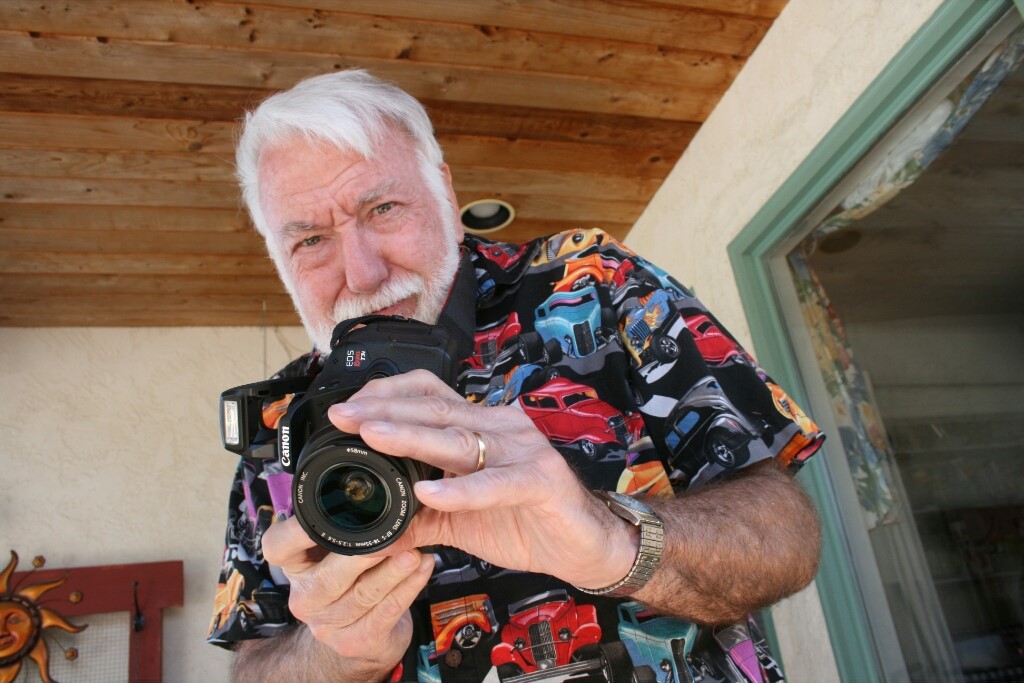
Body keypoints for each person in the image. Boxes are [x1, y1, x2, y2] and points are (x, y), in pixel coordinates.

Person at [208, 69, 825, 683]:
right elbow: (253, 663)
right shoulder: (277, 418)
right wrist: (338, 653)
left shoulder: (593, 285)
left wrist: (612, 540)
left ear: (445, 196)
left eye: (384, 207)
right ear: (278, 260)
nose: (363, 273)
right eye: (312, 239)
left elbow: (787, 533)